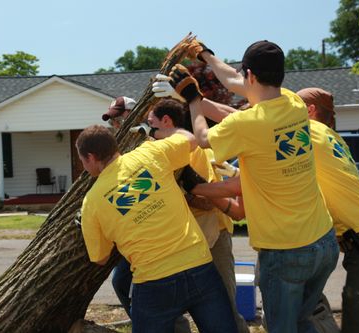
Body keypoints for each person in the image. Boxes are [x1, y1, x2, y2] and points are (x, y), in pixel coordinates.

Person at [157, 40, 339, 333]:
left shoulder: (248, 124)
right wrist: (205, 54)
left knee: (282, 327)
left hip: (286, 251)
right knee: (305, 321)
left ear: (250, 75)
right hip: (323, 241)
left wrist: (192, 99)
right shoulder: (292, 102)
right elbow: (232, 85)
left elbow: (203, 137)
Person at [77, 124, 238, 333]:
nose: (83, 166)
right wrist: (156, 132)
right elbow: (190, 139)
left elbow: (100, 258)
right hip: (199, 266)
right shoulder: (149, 153)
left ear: (90, 157)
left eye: (82, 161)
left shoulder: (92, 202)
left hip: (153, 282)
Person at [148, 99, 249, 333]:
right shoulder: (161, 152)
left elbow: (207, 203)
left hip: (214, 239)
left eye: (151, 124)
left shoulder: (192, 150)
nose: (148, 130)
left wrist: (183, 193)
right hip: (186, 240)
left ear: (166, 121)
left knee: (225, 309)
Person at [102, 97, 191, 333]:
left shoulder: (155, 142)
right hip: (131, 231)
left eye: (119, 119)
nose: (116, 125)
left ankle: (173, 327)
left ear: (136, 115)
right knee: (121, 282)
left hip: (159, 229)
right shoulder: (117, 147)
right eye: (112, 121)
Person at [297, 87, 359, 333]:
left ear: (309, 111)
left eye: (293, 109)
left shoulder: (309, 131)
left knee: (357, 323)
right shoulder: (333, 138)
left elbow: (257, 122)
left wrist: (197, 102)